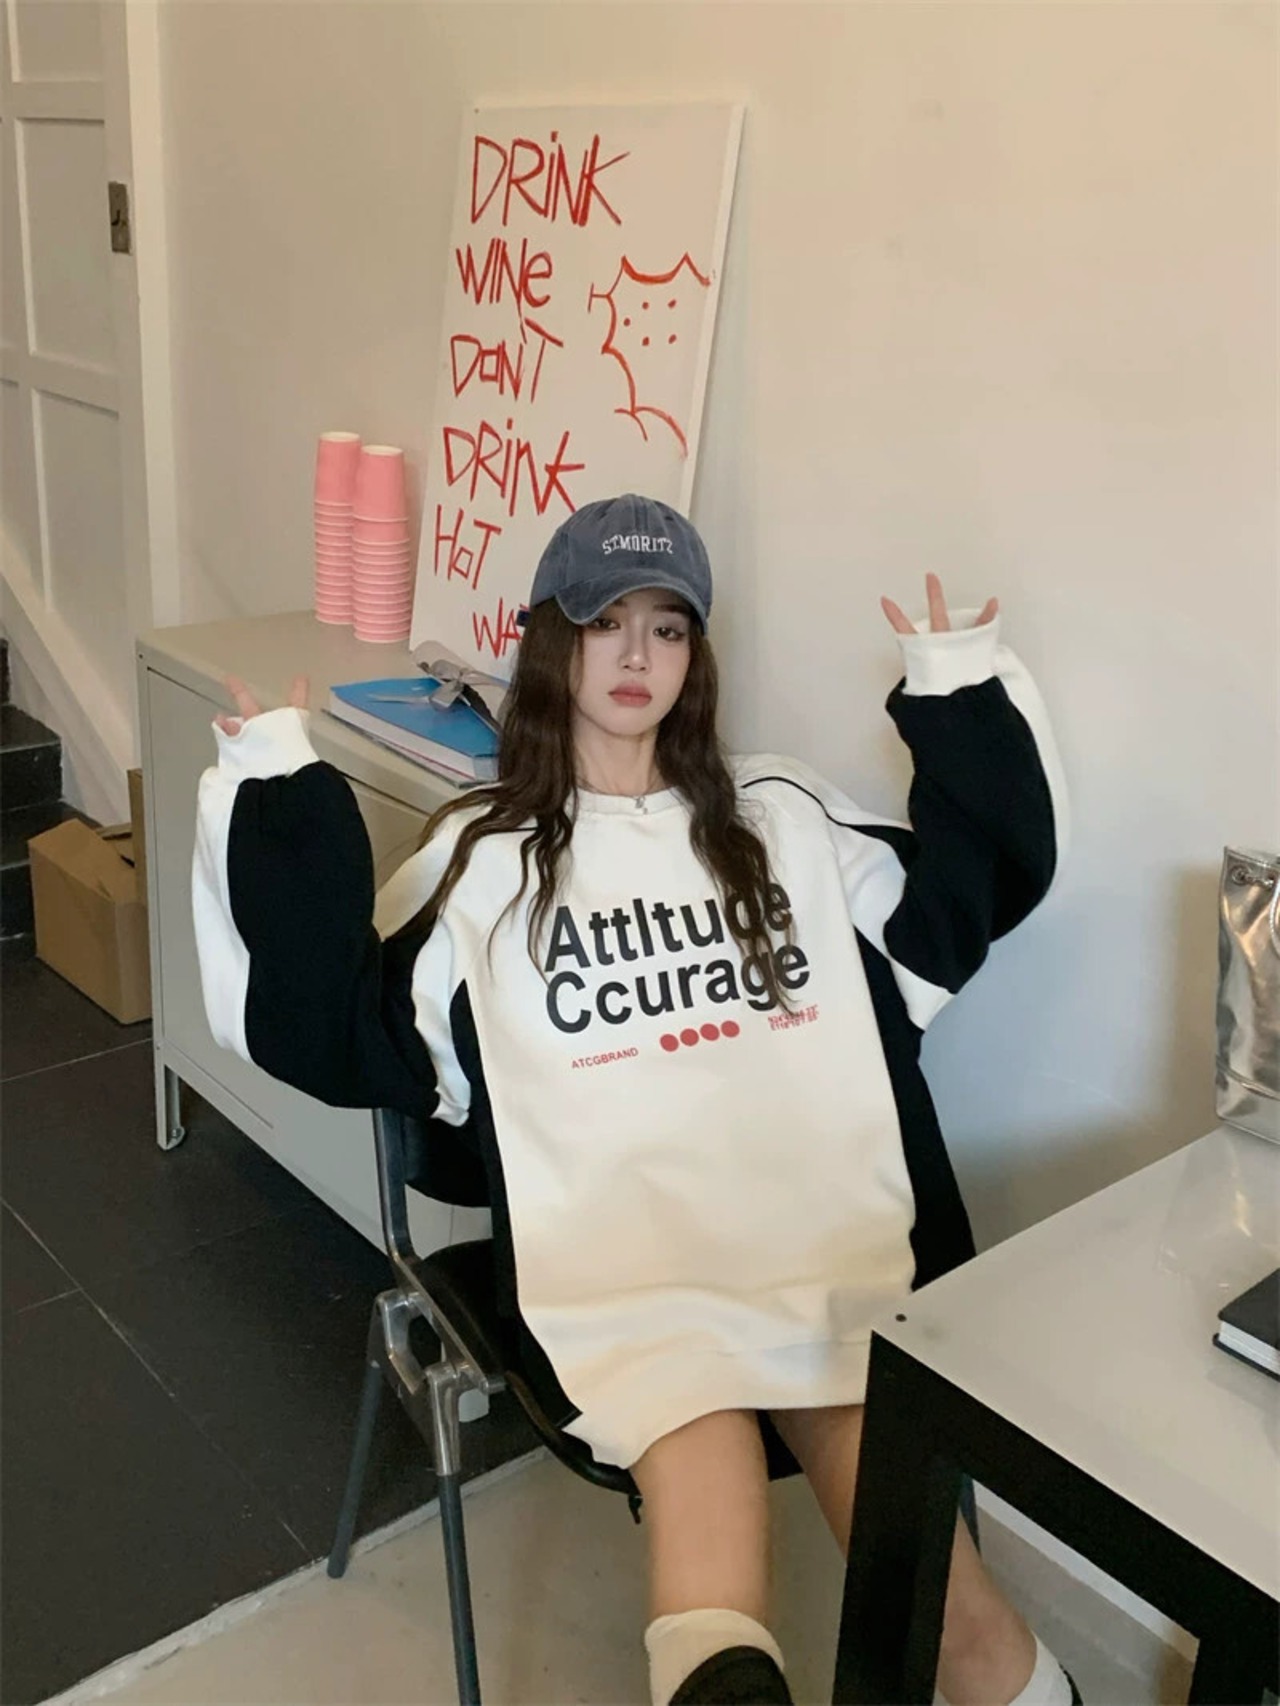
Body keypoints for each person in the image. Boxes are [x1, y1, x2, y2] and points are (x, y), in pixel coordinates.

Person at [193, 493, 1076, 1706]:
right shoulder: (481, 858)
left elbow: (958, 909)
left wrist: (957, 693)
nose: (635, 654)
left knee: (956, 1613)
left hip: (821, 1240)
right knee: (704, 1508)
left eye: (666, 627)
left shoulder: (784, 816)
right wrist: (277, 797)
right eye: (604, 620)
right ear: (552, 639)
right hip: (624, 1263)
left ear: (694, 655)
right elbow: (340, 1028)